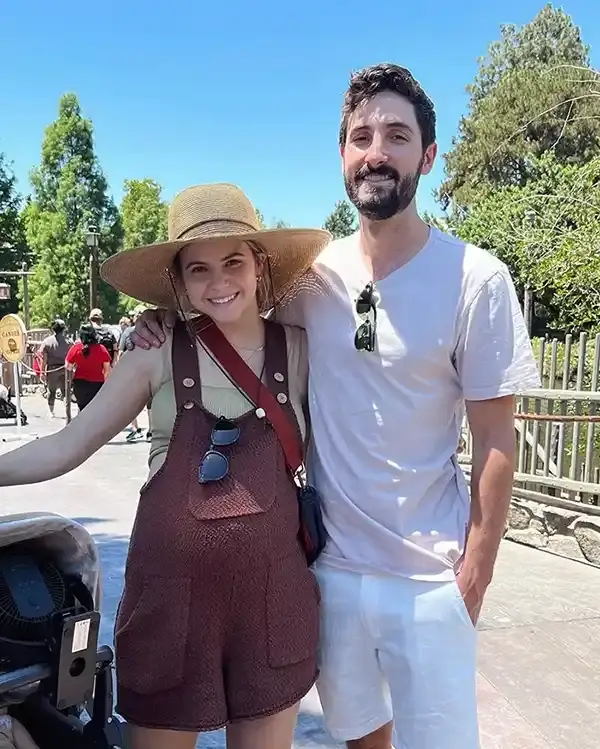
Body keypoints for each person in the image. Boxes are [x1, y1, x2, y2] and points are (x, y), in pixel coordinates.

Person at [129, 64, 541, 749]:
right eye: (361, 135)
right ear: (343, 156)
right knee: (360, 739)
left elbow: (498, 436)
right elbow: (221, 293)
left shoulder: (476, 278)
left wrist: (476, 572)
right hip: (334, 574)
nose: (376, 150)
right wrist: (157, 318)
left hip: (431, 579)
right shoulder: (310, 283)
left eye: (397, 135)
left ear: (428, 156)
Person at [0, 182, 330, 749]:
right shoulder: (154, 351)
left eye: (233, 261)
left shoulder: (301, 349)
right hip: (169, 607)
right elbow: (67, 444)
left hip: (274, 606)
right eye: (198, 269)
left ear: (260, 264)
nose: (219, 282)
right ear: (178, 280)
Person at [65, 323, 111, 411]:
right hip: (97, 385)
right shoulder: (101, 349)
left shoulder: (76, 348)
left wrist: (76, 370)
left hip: (80, 385)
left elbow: (68, 366)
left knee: (82, 409)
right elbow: (107, 370)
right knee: (94, 410)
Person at [37, 319, 72, 417]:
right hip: (65, 369)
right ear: (63, 329)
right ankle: (67, 411)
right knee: (66, 391)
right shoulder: (69, 341)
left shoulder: (47, 342)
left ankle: (51, 411)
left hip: (52, 369)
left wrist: (42, 372)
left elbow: (44, 359)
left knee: (51, 391)